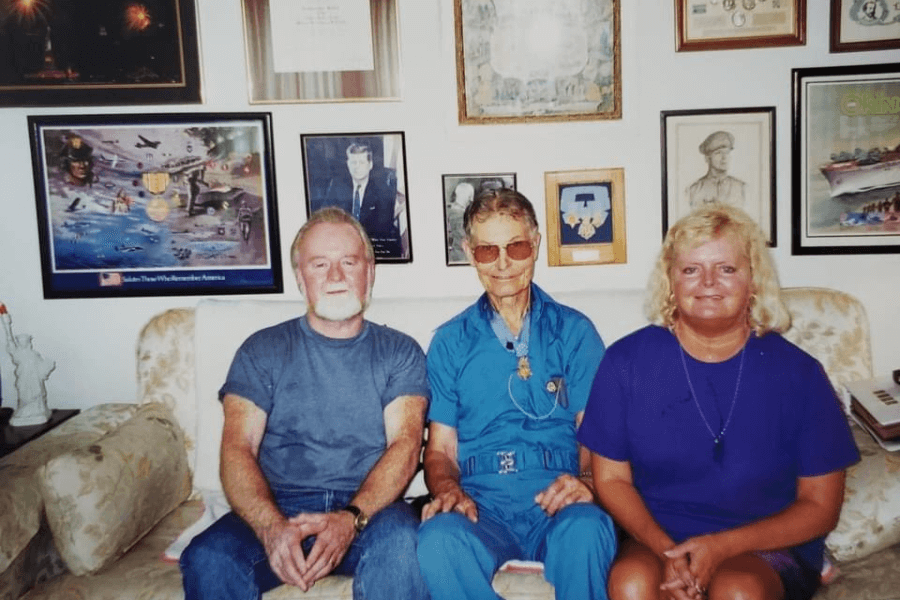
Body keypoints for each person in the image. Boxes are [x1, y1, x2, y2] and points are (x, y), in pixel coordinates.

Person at [578, 204, 859, 600]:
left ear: (754, 279)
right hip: (656, 537)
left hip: (761, 546)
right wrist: (667, 550)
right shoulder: (625, 362)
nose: (708, 282)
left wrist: (721, 547)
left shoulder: (801, 374)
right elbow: (611, 480)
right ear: (670, 280)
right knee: (631, 582)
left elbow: (821, 506)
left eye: (726, 268)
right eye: (691, 269)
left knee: (737, 590)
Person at [179, 207, 430, 600]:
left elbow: (406, 445)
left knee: (405, 548)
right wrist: (270, 527)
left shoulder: (400, 352)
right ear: (300, 277)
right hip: (278, 506)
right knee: (208, 557)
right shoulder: (261, 350)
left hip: (371, 512)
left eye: (349, 262)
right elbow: (237, 448)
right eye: (319, 264)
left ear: (370, 272)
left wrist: (350, 519)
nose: (336, 276)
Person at [417, 188, 617, 600]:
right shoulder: (450, 342)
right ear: (470, 253)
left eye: (517, 247)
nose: (504, 264)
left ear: (536, 245)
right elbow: (440, 451)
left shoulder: (574, 332)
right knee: (437, 540)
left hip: (557, 499)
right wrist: (448, 490)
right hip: (481, 504)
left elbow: (597, 437)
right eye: (488, 251)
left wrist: (585, 483)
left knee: (588, 529)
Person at [324, 142, 401, 258]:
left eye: (361, 162)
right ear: (348, 164)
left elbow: (382, 228)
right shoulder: (336, 185)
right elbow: (326, 217)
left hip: (371, 248)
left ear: (370, 165)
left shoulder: (383, 189)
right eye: (353, 162)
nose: (357, 167)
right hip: (342, 246)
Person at [1, 303, 54, 426]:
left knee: (36, 394)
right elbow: (10, 342)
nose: (23, 343)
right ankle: (25, 410)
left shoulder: (33, 354)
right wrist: (6, 322)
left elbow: (41, 367)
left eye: (25, 341)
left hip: (33, 379)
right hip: (23, 378)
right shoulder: (17, 353)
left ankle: (38, 409)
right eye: (21, 342)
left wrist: (47, 365)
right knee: (24, 394)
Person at [687, 131, 745, 210]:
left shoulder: (740, 187)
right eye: (718, 153)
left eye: (727, 153)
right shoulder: (694, 190)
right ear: (707, 158)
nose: (724, 157)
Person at [446, 181, 474, 262]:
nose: (471, 200)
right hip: (459, 257)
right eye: (470, 196)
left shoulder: (448, 211)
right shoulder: (461, 216)